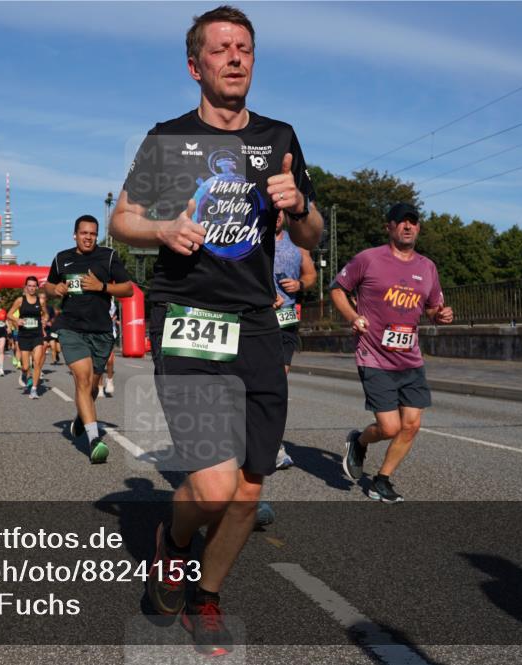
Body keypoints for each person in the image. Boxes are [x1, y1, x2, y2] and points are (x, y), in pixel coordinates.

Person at [108, 6, 322, 655]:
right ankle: (172, 544)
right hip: (190, 316)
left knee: (250, 487)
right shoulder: (168, 139)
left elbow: (312, 234)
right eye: (222, 48)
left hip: (256, 321)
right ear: (194, 64)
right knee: (212, 484)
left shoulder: (279, 136)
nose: (236, 57)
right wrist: (161, 229)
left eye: (246, 48)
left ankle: (206, 595)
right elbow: (122, 219)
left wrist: (302, 205)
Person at [332, 202, 453, 503]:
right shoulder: (368, 259)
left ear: (418, 228)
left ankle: (381, 480)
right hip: (374, 356)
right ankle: (359, 442)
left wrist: (441, 315)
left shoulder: (427, 267)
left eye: (413, 222)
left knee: (411, 425)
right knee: (389, 427)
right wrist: (353, 317)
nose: (408, 226)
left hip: (410, 358)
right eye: (401, 222)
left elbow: (433, 307)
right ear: (389, 227)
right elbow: (337, 288)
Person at [45, 215, 134, 464]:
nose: (88, 237)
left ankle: (81, 418)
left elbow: (128, 289)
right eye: (84, 233)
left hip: (101, 331)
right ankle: (95, 440)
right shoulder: (62, 258)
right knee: (82, 379)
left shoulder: (107, 257)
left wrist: (102, 287)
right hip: (71, 328)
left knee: (93, 386)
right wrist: (57, 289)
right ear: (75, 234)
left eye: (93, 234)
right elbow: (49, 286)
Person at [272, 211, 317, 469]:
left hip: (285, 319)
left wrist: (299, 285)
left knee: (277, 383)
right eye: (272, 211)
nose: (276, 216)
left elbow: (310, 275)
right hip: (255, 318)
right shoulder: (251, 239)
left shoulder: (296, 244)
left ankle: (275, 445)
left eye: (281, 212)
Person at [9, 276, 50, 399]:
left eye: (34, 286)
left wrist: (45, 319)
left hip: (37, 335)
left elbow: (46, 313)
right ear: (25, 287)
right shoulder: (20, 300)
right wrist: (17, 320)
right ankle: (24, 374)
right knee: (26, 366)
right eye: (29, 286)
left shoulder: (40, 301)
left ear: (37, 287)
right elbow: (9, 314)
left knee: (37, 363)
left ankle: (34, 389)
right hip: (24, 336)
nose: (32, 288)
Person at [99, 301, 119, 398]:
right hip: (96, 332)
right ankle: (99, 386)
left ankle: (109, 380)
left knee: (110, 360)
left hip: (110, 332)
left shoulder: (111, 302)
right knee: (99, 362)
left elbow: (115, 314)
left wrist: (114, 318)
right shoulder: (94, 299)